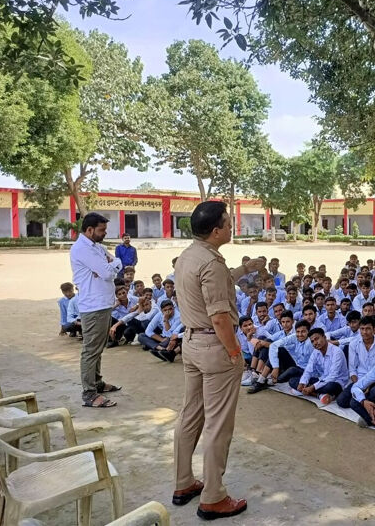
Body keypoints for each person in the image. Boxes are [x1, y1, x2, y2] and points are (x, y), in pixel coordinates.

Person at [172, 200, 265, 520]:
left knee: (191, 414)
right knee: (217, 425)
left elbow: (220, 278)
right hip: (215, 347)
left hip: (192, 342)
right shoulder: (209, 263)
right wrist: (235, 352)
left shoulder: (190, 256)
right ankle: (213, 496)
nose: (230, 226)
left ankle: (184, 482)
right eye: (227, 223)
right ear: (215, 231)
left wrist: (247, 268)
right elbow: (221, 317)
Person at [69, 213, 123, 409]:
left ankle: (97, 383)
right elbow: (109, 273)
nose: (105, 233)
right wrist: (109, 267)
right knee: (91, 350)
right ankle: (89, 393)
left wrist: (110, 266)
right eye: (101, 230)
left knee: (98, 348)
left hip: (103, 303)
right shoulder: (83, 249)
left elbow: (115, 263)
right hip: (93, 306)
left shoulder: (97, 247)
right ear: (89, 230)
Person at [295, 328, 349, 404]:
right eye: (312, 341)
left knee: (330, 387)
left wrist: (313, 387)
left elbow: (332, 376)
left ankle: (310, 392)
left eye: (317, 339)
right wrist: (302, 383)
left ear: (324, 337)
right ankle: (318, 395)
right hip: (322, 379)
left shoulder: (337, 352)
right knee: (294, 381)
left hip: (337, 382)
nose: (315, 343)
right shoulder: (315, 352)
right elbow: (308, 370)